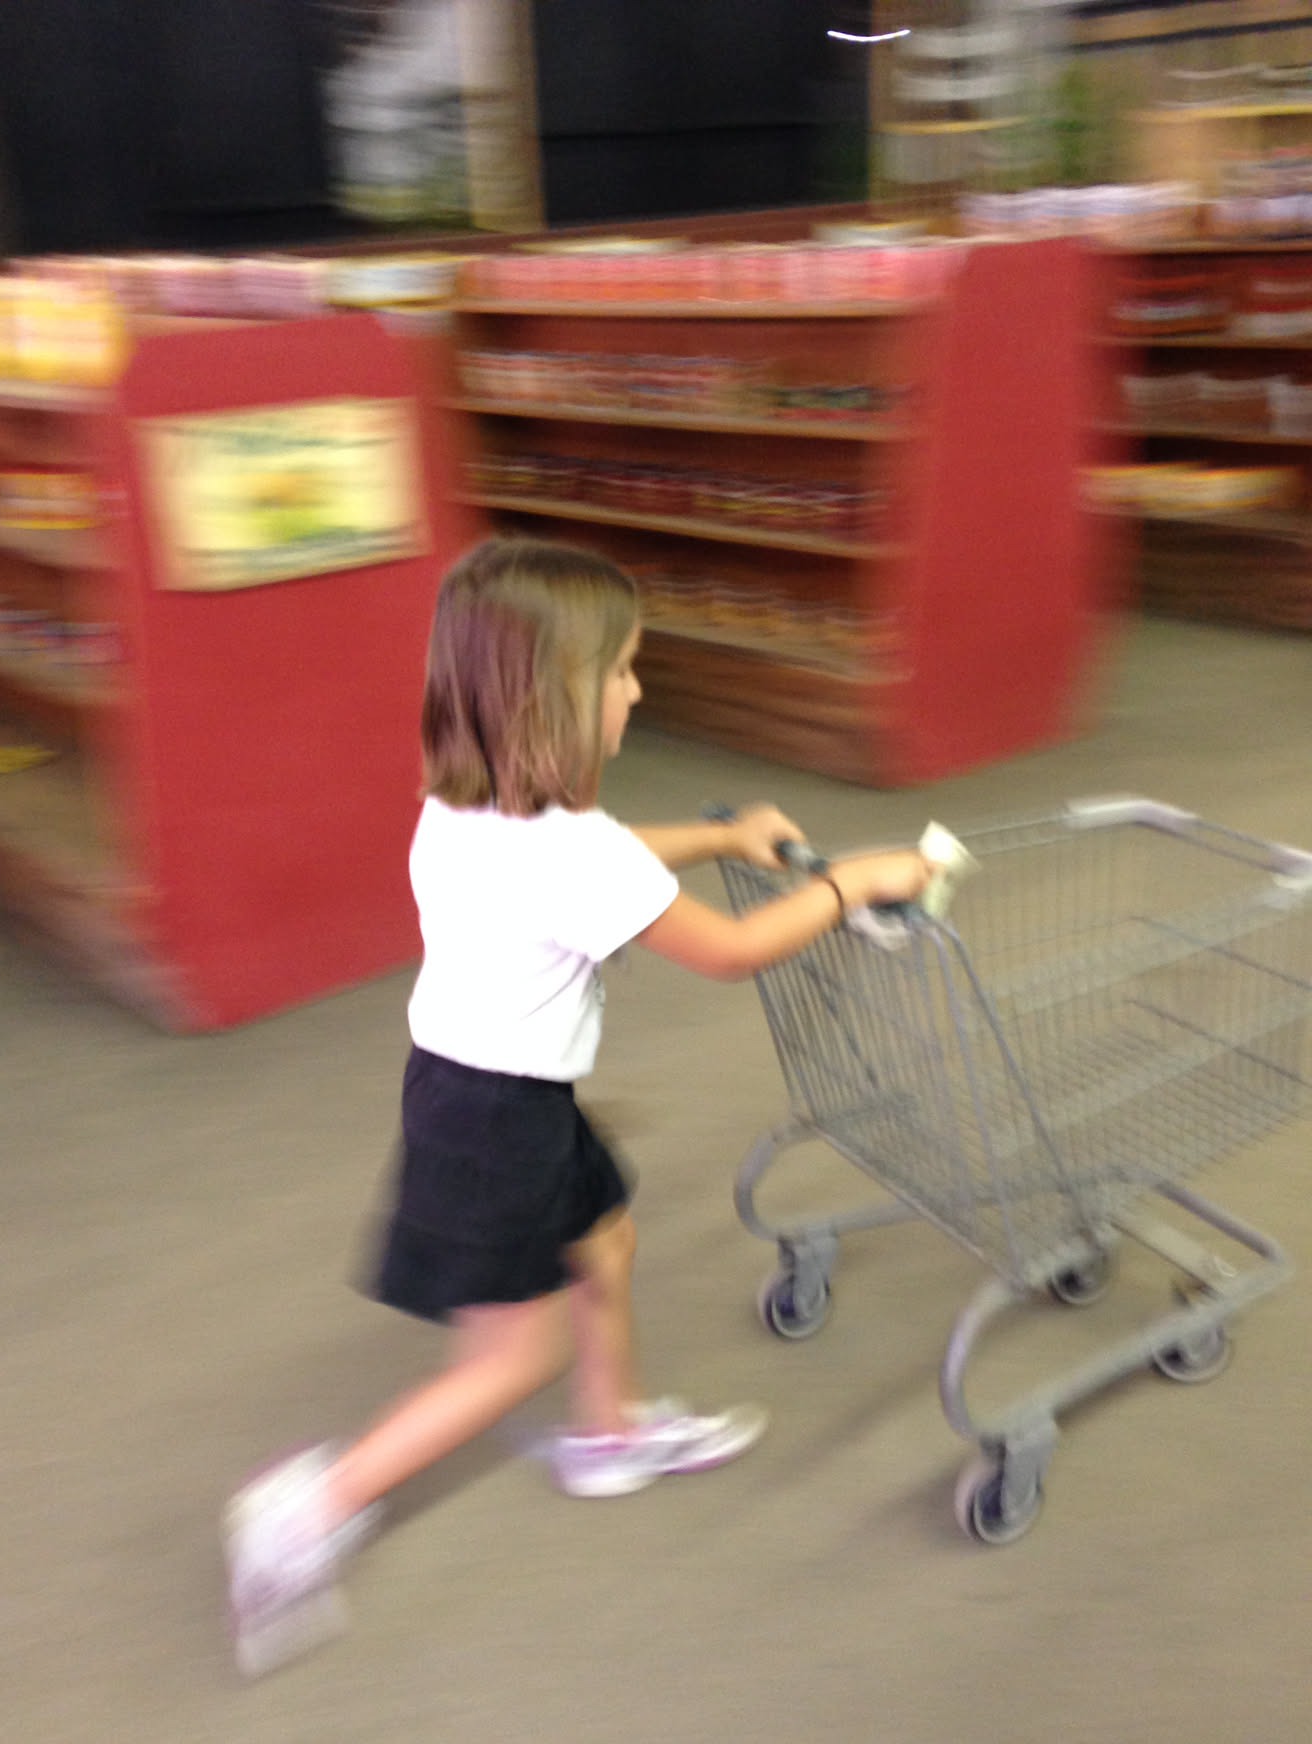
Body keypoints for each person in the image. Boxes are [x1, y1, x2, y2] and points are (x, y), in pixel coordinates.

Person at [223, 537, 934, 1677]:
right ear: (555, 695)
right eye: (624, 671)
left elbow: (611, 858)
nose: (638, 692)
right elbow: (731, 950)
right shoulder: (564, 851)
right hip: (497, 1119)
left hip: (479, 1091)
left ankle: (608, 1433)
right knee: (508, 1362)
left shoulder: (469, 804)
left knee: (604, 1241)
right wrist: (853, 883)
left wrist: (719, 836)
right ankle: (305, 1512)